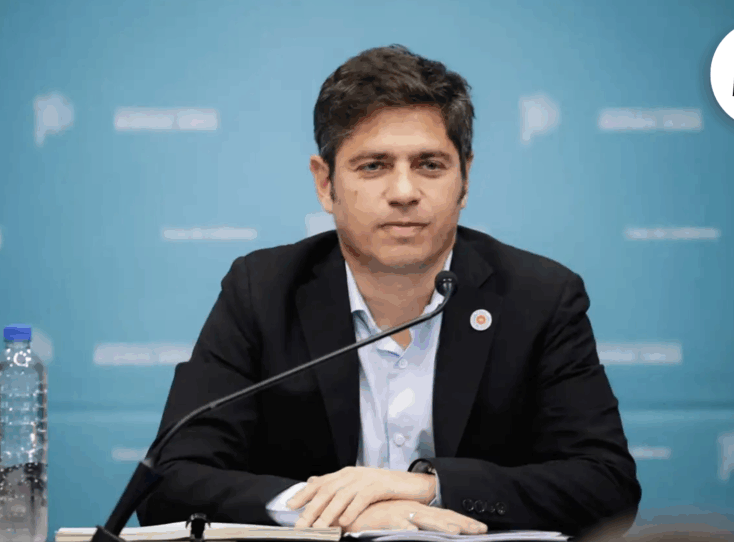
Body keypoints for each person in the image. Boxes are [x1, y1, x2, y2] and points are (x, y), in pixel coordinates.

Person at [136, 44, 641, 538]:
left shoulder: (539, 297)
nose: (404, 192)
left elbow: (606, 485)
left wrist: (429, 489)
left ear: (465, 180)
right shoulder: (262, 291)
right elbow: (170, 481)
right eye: (373, 165)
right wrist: (335, 512)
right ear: (325, 183)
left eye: (430, 165)